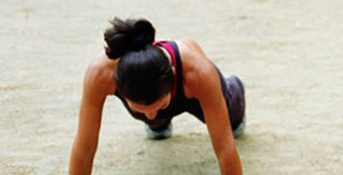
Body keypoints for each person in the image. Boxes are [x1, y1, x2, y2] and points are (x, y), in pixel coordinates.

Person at [68, 18, 246, 175]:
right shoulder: (100, 74)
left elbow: (224, 148)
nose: (150, 114)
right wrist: (151, 110)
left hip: (193, 90)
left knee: (231, 121)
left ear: (174, 75)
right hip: (154, 94)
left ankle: (234, 90)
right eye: (139, 108)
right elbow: (85, 148)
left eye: (159, 107)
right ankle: (156, 120)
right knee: (151, 115)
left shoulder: (199, 73)